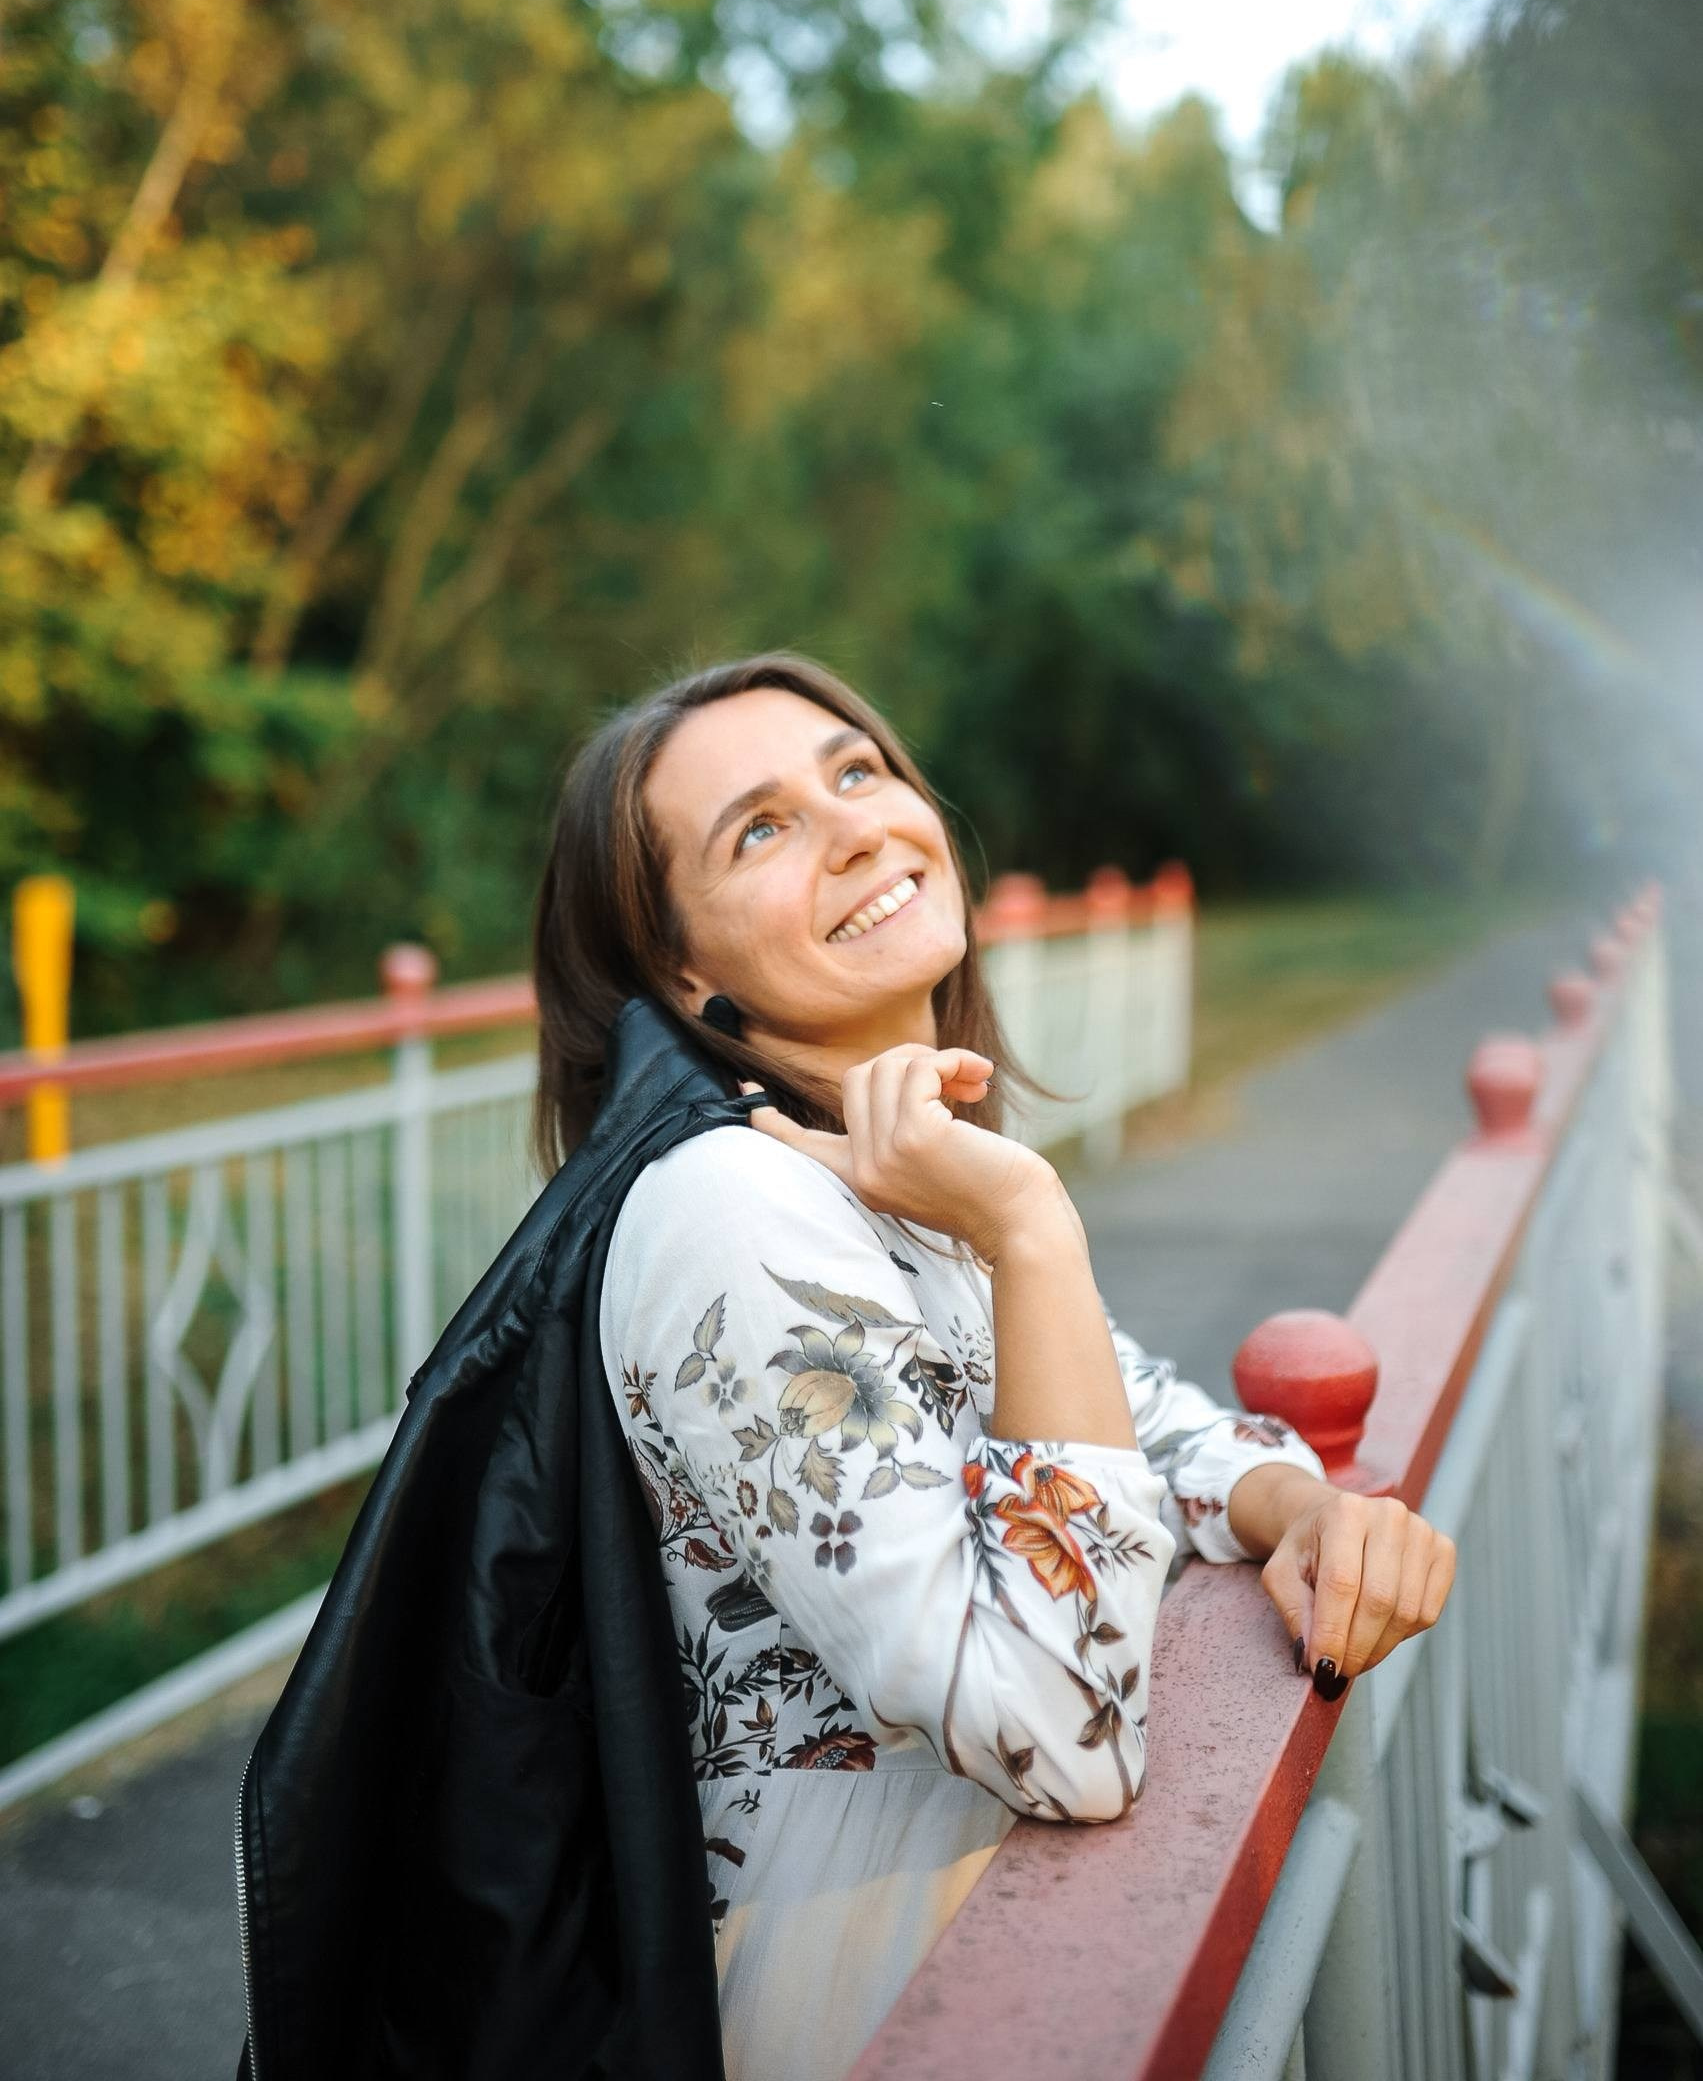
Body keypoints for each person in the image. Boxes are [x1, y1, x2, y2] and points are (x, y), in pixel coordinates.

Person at [531, 652, 1457, 2081]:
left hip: (996, 1927)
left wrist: (1300, 1509)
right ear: (680, 970)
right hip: (891, 1979)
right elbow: (1056, 1727)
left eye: (857, 770)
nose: (854, 827)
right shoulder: (732, 1211)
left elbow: (1121, 1414)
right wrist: (1032, 1225)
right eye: (759, 829)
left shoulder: (867, 1177)